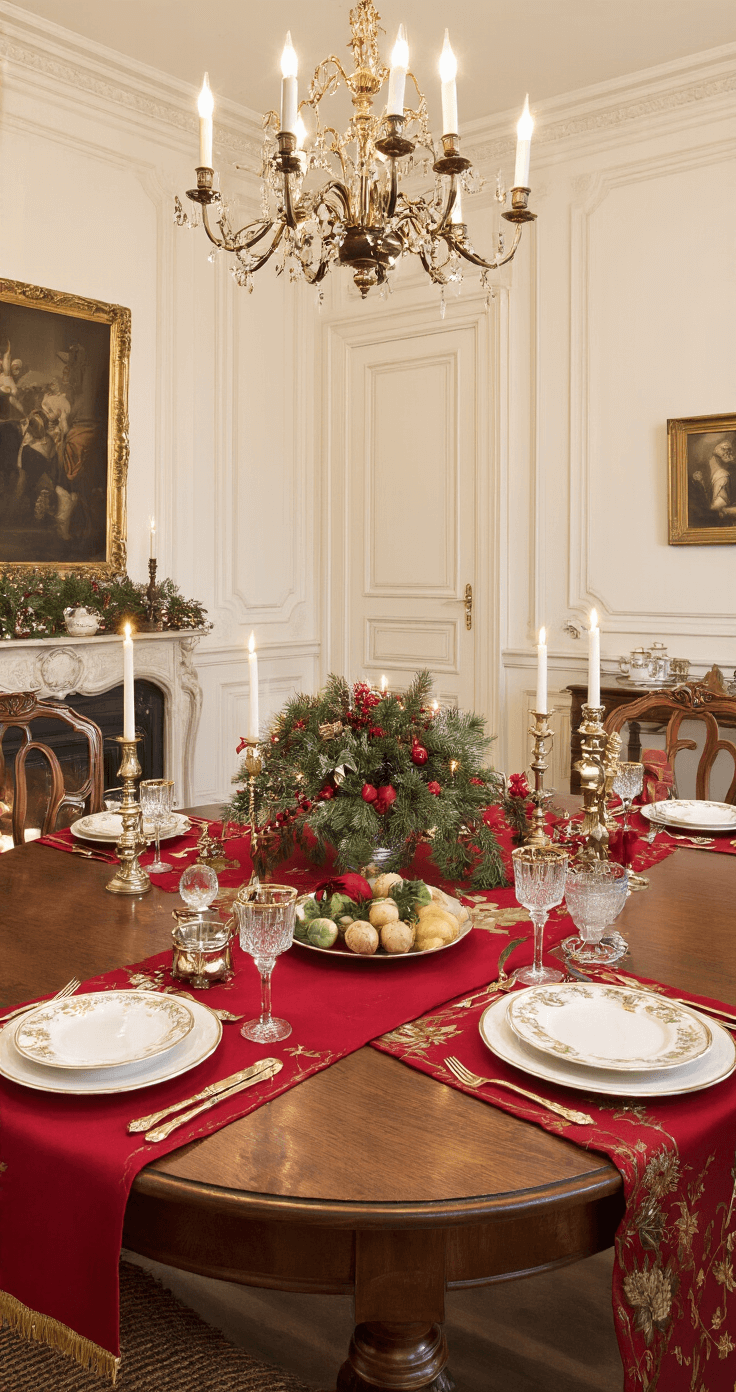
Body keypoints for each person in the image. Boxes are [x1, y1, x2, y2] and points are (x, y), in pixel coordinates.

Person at [689, 439, 736, 524]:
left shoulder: (722, 475)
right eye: (724, 449)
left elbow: (717, 507)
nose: (727, 452)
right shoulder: (714, 473)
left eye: (728, 450)